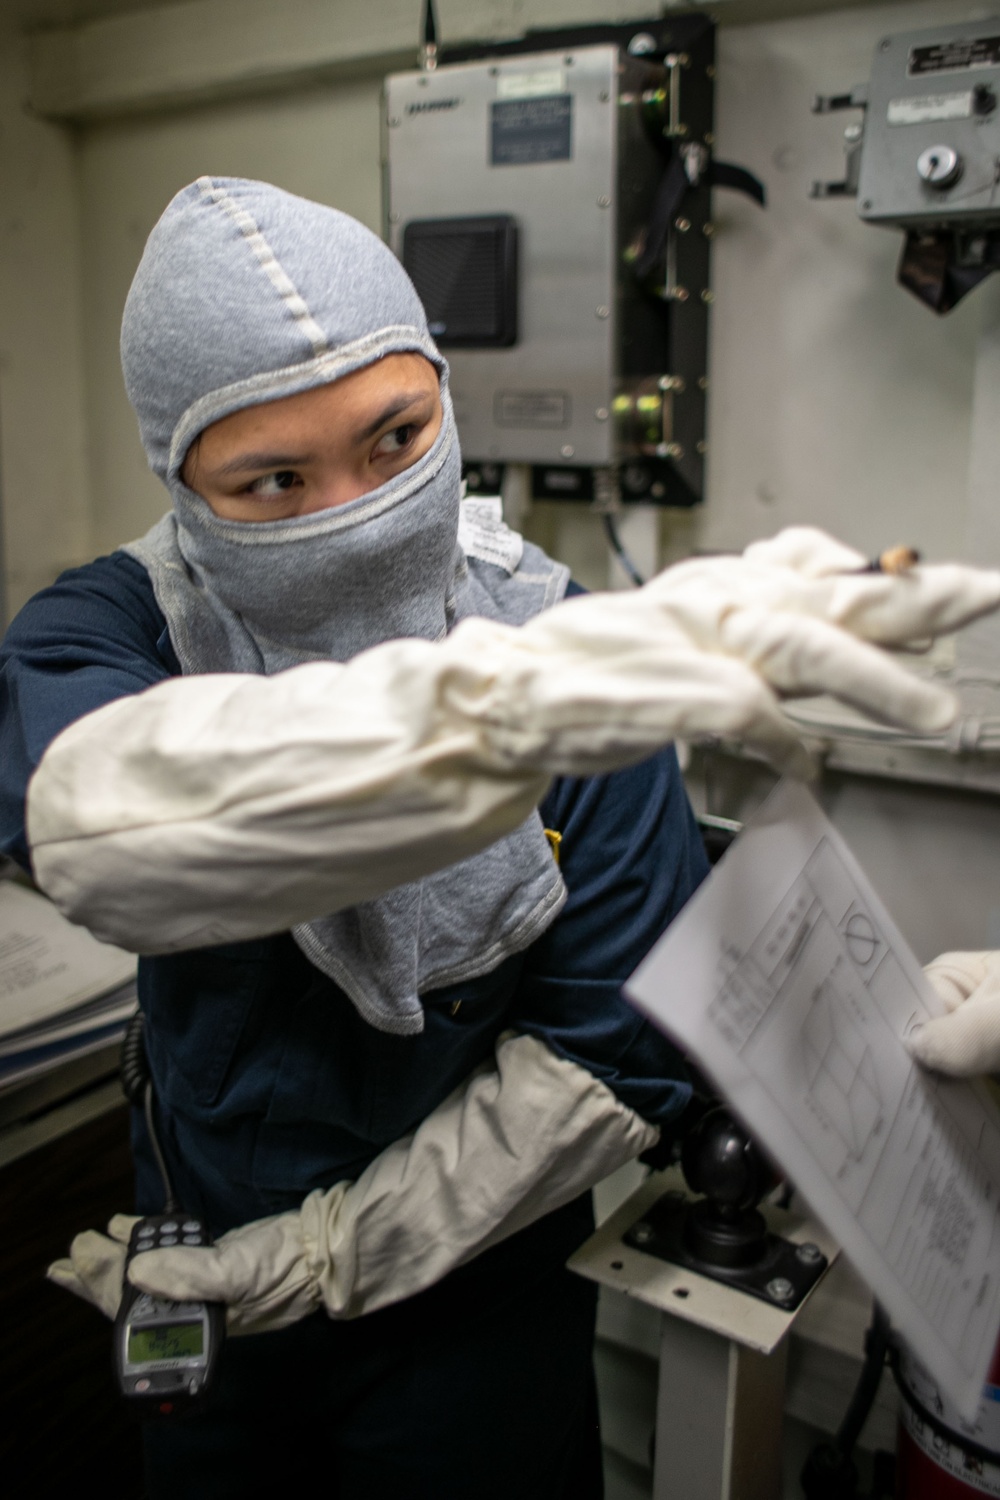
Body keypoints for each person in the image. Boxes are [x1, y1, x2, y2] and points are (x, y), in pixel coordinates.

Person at [3, 177, 999, 1500]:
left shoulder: (587, 670)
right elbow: (101, 821)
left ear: (444, 398)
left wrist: (327, 1255)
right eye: (273, 480)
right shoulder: (117, 628)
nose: (350, 510)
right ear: (179, 482)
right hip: (204, 1278)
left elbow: (595, 1065)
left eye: (396, 436)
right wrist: (476, 726)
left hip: (476, 1304)